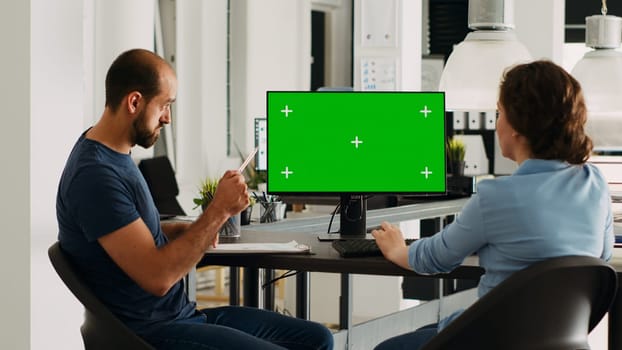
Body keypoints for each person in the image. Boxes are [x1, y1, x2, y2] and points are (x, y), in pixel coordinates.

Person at [56, 48, 333, 350]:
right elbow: (158, 277)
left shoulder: (112, 156)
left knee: (318, 339)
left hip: (180, 315)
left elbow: (130, 240)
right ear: (135, 102)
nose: (168, 118)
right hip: (151, 332)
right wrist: (218, 211)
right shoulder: (96, 176)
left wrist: (184, 229)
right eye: (164, 105)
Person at [371, 60, 614, 350]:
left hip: (494, 339)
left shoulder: (496, 196)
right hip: (562, 341)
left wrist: (399, 249)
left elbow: (436, 258)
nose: (496, 121)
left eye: (499, 112)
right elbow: (601, 255)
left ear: (516, 127)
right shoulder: (594, 182)